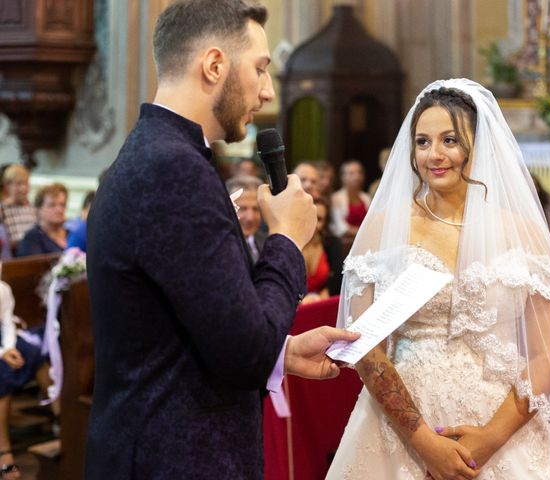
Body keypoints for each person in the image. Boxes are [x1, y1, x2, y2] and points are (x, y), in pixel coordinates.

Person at [84, 2, 358, 479]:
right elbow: (243, 351)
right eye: (260, 69)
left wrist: (283, 351)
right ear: (214, 65)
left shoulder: (155, 153)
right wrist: (288, 241)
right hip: (177, 455)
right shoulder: (174, 170)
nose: (267, 90)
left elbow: (204, 323)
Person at [327, 79, 550, 479]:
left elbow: (547, 356)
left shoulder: (522, 233)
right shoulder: (385, 227)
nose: (434, 155)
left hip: (498, 422)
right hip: (403, 426)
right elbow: (366, 346)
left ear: (479, 146)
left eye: (449, 140)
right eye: (422, 142)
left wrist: (490, 438)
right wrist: (424, 442)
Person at [0, 280, 51, 480]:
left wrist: (10, 347)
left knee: (35, 353)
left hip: (4, 343)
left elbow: (7, 322)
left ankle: (61, 425)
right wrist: (3, 353)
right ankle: (4, 455)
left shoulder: (3, 288)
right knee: (2, 376)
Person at [301, 196, 343, 304]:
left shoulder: (333, 243)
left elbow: (338, 278)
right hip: (295, 307)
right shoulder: (289, 244)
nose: (314, 224)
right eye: (311, 216)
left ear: (325, 223)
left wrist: (322, 298)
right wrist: (301, 301)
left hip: (324, 303)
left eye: (319, 219)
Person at [16, 183, 68, 257]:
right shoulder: (32, 238)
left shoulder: (71, 233)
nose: (59, 210)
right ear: (38, 209)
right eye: (52, 205)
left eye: (62, 205)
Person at [225, 175, 267, 263]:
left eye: (256, 209)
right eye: (243, 209)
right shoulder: (218, 247)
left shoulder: (268, 244)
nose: (250, 217)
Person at [330, 160, 371, 240]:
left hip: (365, 240)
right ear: (343, 177)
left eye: (359, 173)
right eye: (351, 173)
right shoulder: (336, 198)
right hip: (344, 244)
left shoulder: (366, 197)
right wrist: (364, 232)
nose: (357, 177)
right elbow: (341, 227)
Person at [0, 165, 36, 252]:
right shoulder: (2, 209)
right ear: (7, 186)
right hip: (15, 256)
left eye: (26, 183)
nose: (23, 188)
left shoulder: (33, 208)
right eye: (19, 184)